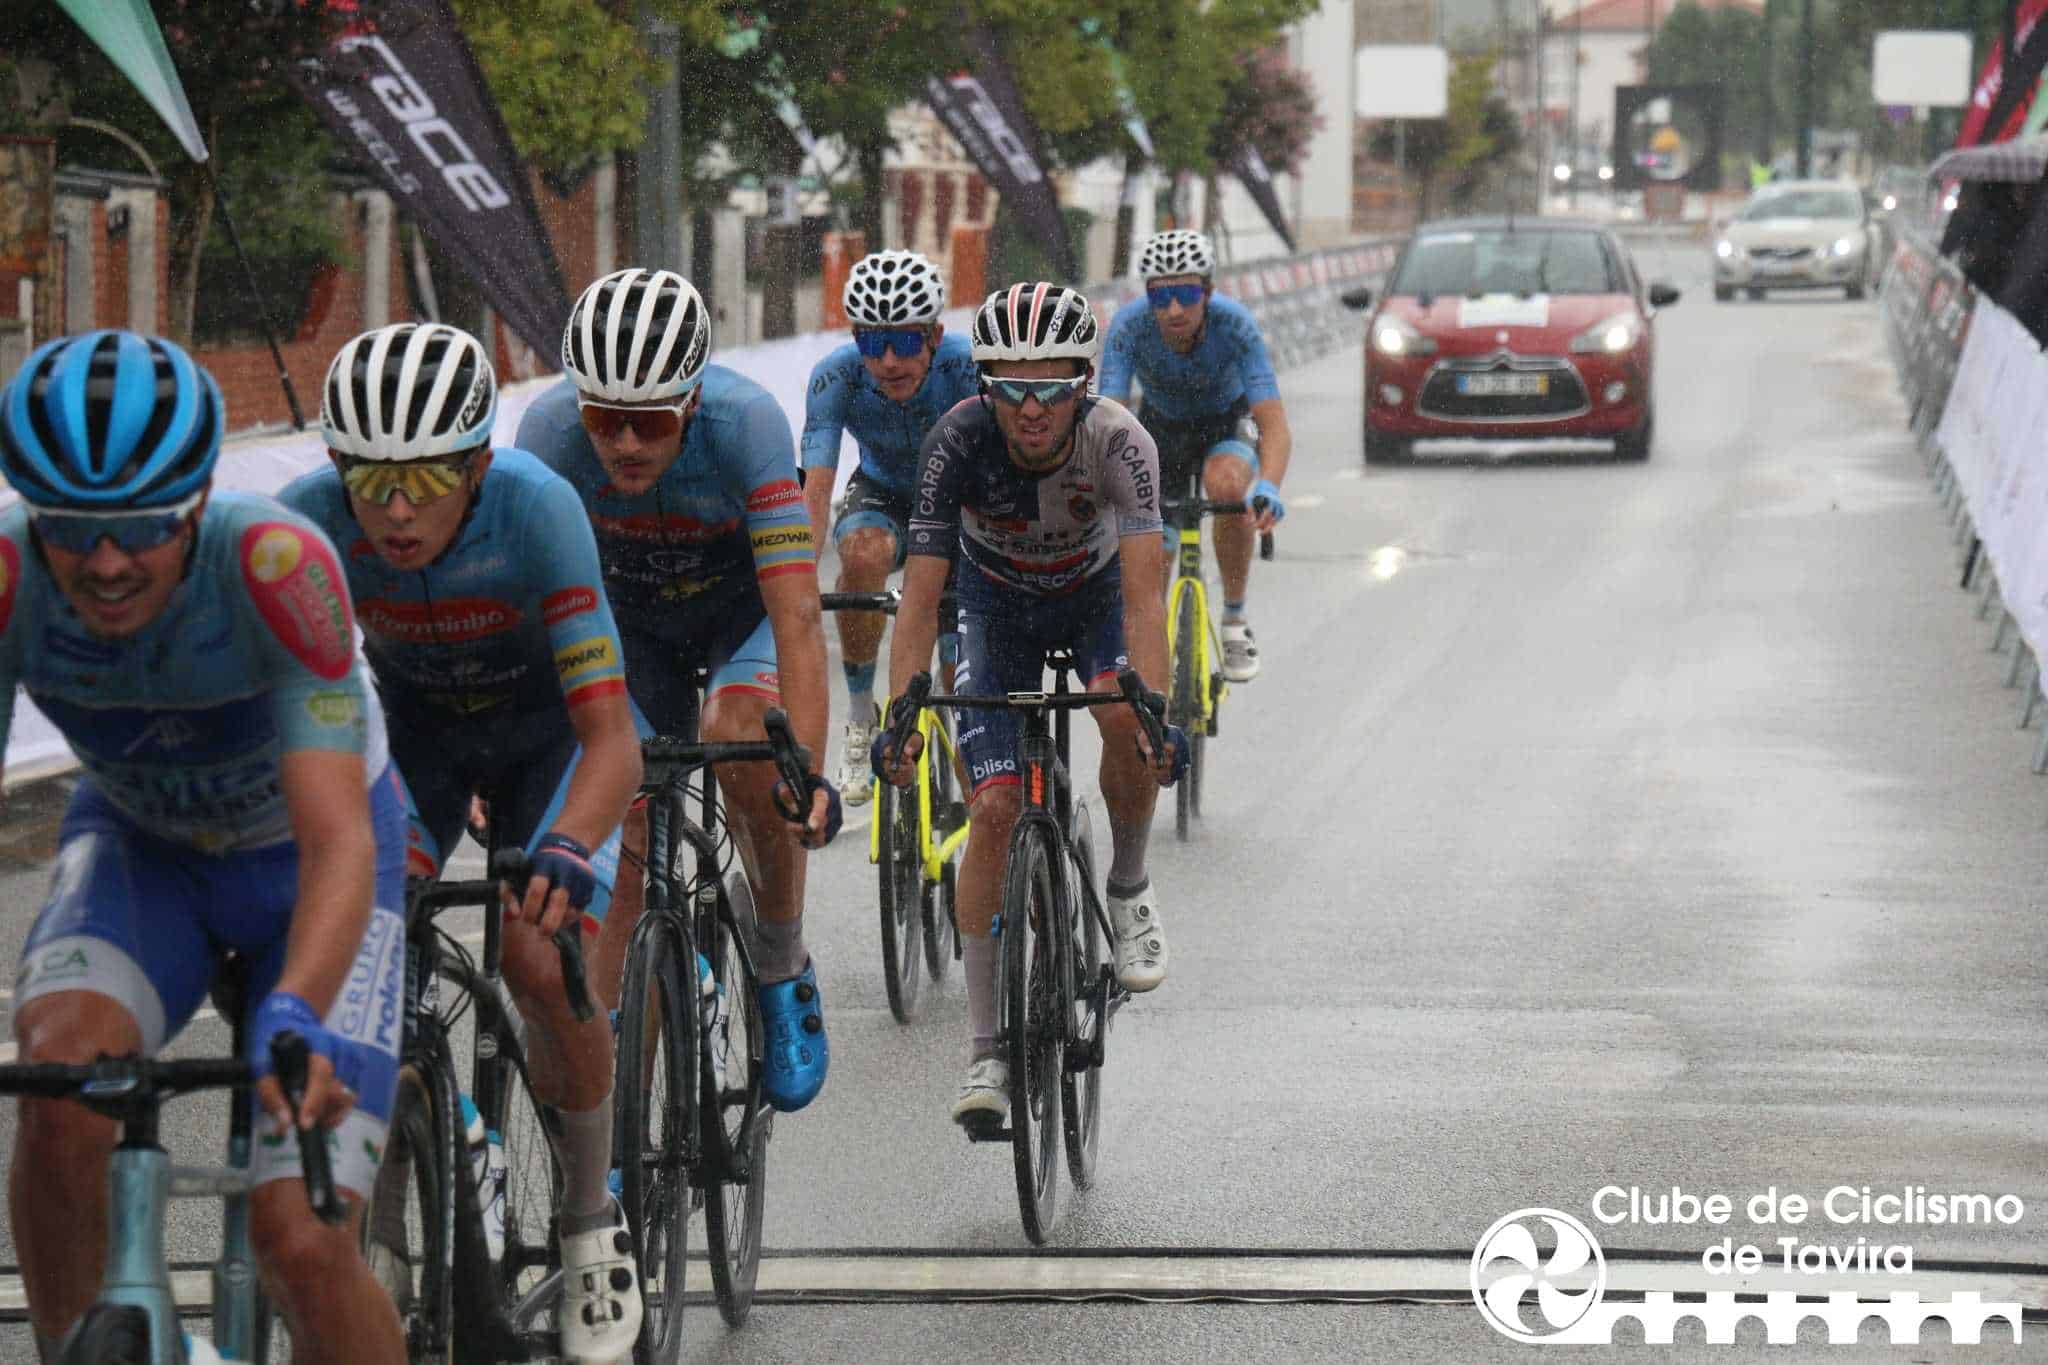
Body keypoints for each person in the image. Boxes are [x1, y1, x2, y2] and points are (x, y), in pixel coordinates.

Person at [0, 331, 406, 1365]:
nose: (103, 562)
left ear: (194, 506)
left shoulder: (275, 567)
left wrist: (295, 1008)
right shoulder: (8, 579)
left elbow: (335, 838)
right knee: (55, 1094)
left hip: (307, 869)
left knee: (300, 1239)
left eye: (139, 526)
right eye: (70, 529)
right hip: (146, 853)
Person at [281, 322, 645, 1362]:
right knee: (365, 969)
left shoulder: (539, 508)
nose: (395, 511)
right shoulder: (304, 528)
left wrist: (571, 847)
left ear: (479, 464)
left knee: (538, 953)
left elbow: (611, 739)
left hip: (549, 743)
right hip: (417, 751)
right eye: (369, 478)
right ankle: (382, 1237)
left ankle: (586, 1224)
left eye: (429, 477)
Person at [516, 268, 840, 1114]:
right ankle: (617, 1138)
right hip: (631, 625)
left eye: (650, 421)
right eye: (605, 420)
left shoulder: (747, 427)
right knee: (629, 833)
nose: (624, 443)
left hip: (741, 617)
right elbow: (526, 632)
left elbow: (798, 618)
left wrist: (803, 769)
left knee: (739, 733)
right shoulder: (548, 431)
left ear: (691, 403)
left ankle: (777, 957)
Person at [873, 282, 1186, 1132]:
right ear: (984, 388)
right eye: (1009, 387)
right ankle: (987, 1047)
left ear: (1085, 380)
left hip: (1091, 603)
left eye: (1050, 386)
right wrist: (900, 712)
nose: (1031, 407)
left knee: (1121, 715)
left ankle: (1126, 885)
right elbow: (922, 595)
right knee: (995, 806)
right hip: (992, 608)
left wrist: (1154, 709)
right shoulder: (956, 442)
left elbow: (1144, 600)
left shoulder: (1121, 443)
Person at [801, 249, 979, 802]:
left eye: (903, 342)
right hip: (883, 490)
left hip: (959, 499)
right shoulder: (834, 376)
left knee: (955, 662)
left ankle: (973, 752)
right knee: (859, 555)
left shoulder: (965, 365)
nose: (888, 361)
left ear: (933, 335)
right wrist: (798, 572)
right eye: (870, 343)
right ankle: (860, 715)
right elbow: (815, 489)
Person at [1099, 229, 1291, 683]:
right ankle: (1152, 646)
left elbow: (1275, 426)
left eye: (1186, 294)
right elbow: (1109, 420)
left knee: (1227, 488)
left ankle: (1233, 619)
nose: (1174, 310)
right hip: (1160, 429)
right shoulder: (1129, 326)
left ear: (1207, 290)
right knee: (1153, 541)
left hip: (1225, 421)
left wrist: (1267, 486)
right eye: (1160, 297)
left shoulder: (1236, 325)